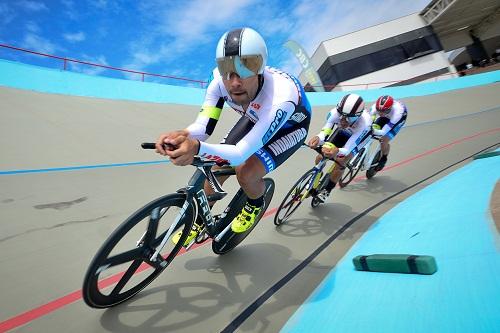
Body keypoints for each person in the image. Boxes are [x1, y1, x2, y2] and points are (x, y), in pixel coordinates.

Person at [155, 27, 311, 245]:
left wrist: (196, 148)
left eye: (246, 68)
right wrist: (183, 134)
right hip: (257, 118)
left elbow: (239, 154)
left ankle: (255, 205)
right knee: (216, 167)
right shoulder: (218, 82)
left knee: (246, 173)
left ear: (261, 67)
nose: (235, 82)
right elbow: (204, 126)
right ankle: (201, 218)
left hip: (291, 129)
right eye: (226, 68)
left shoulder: (282, 95)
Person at [307, 93, 372, 203]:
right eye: (341, 114)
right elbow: (326, 131)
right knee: (320, 156)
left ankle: (327, 190)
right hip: (343, 131)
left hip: (359, 137)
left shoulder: (364, 124)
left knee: (341, 160)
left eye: (349, 118)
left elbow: (347, 149)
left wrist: (337, 151)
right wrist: (318, 138)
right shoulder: (334, 113)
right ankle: (317, 175)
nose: (343, 119)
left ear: (358, 116)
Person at [369, 95, 408, 171]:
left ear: (390, 108)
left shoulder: (398, 113)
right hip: (387, 116)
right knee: (371, 128)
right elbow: (370, 119)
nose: (380, 113)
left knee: (384, 140)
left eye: (384, 111)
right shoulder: (375, 108)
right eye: (379, 110)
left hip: (398, 120)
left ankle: (384, 158)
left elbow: (384, 131)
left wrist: (375, 131)